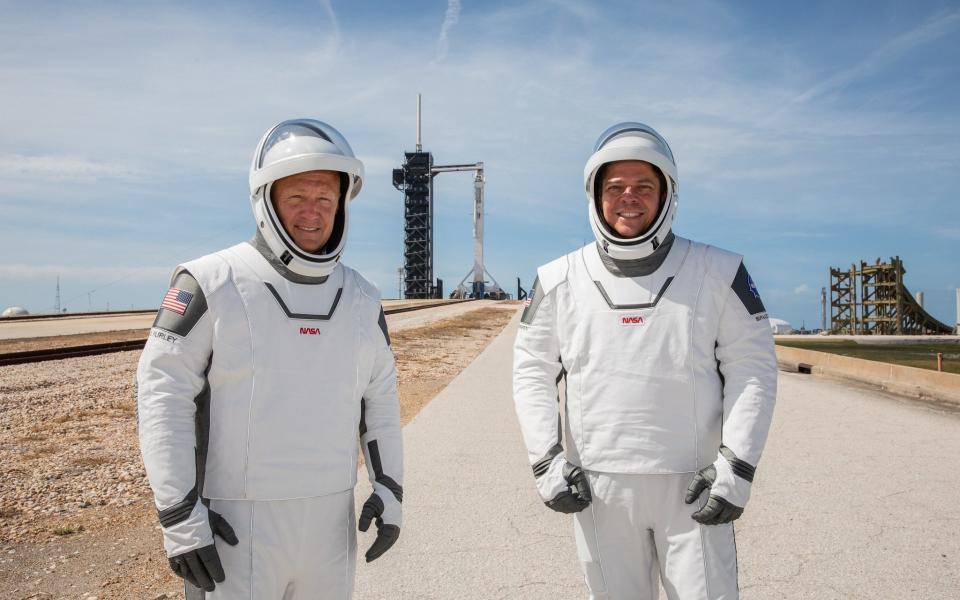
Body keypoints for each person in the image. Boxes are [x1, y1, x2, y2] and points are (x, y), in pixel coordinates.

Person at [137, 119, 403, 598]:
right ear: (265, 201)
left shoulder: (362, 298)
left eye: (325, 198)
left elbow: (379, 397)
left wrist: (389, 488)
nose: (312, 213)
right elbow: (162, 394)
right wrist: (179, 515)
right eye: (297, 197)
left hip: (330, 523)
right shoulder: (210, 282)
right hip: (235, 526)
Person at [513, 122, 777, 599]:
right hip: (598, 487)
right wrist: (545, 462)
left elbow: (753, 367)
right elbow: (532, 372)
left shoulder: (719, 271)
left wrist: (737, 466)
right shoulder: (556, 279)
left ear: (667, 195)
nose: (628, 198)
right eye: (615, 187)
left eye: (643, 187)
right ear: (595, 195)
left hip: (695, 483)